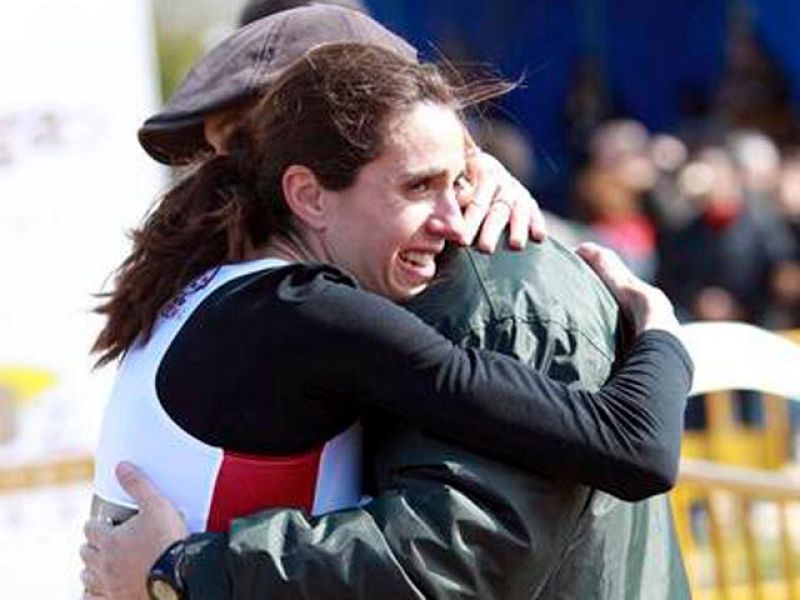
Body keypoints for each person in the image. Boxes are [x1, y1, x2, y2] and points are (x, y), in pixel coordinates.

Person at [82, 9, 693, 600]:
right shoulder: (299, 304)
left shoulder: (477, 281)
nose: (227, 171)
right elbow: (629, 443)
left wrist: (181, 572)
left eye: (243, 139)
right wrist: (661, 329)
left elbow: (456, 555)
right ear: (307, 189)